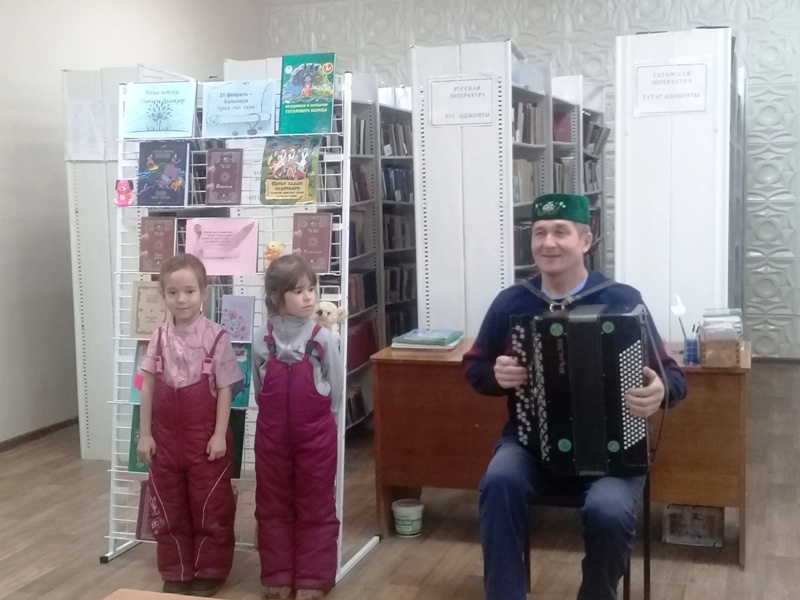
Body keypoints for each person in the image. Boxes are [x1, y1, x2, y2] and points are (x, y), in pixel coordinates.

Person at [463, 193, 688, 600]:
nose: (548, 243)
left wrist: (659, 391)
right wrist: (496, 375)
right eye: (539, 233)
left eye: (560, 232)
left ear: (585, 241)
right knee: (498, 482)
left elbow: (674, 377)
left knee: (609, 509)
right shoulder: (513, 302)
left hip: (615, 452)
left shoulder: (623, 299)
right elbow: (475, 368)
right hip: (530, 444)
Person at [137, 253, 243, 597]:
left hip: (205, 442)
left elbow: (225, 389)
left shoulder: (217, 337)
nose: (181, 299)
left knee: (210, 507)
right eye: (172, 292)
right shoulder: (157, 337)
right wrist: (146, 434)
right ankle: (176, 570)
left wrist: (219, 434)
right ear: (163, 295)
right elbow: (148, 387)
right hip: (165, 442)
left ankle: (211, 570)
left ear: (204, 293)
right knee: (169, 509)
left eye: (189, 291)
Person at [252, 254, 344, 600]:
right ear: (277, 297)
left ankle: (313, 578)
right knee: (272, 503)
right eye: (298, 291)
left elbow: (336, 388)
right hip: (271, 438)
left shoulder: (323, 339)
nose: (308, 297)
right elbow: (260, 388)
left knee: (315, 504)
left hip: (316, 437)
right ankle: (278, 575)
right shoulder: (262, 339)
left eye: (311, 289)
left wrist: (326, 423)